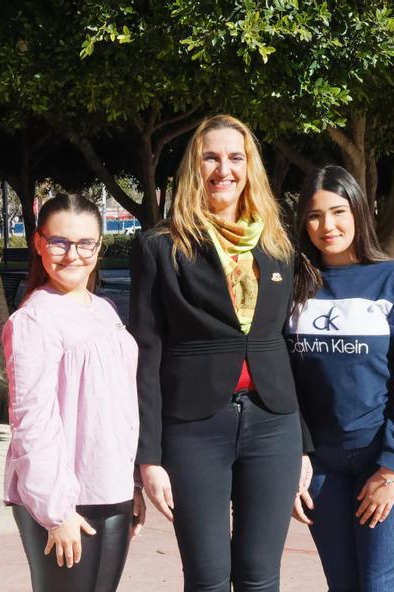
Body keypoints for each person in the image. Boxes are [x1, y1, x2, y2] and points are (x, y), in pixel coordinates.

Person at [130, 114, 302, 591]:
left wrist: (303, 444)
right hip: (194, 429)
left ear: (250, 167)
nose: (222, 169)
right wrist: (148, 458)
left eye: (234, 157)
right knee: (207, 578)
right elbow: (147, 353)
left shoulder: (277, 245)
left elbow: (289, 346)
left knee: (260, 576)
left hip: (274, 425)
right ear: (193, 166)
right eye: (211, 157)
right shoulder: (160, 247)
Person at [286, 165, 394, 591]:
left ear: (358, 212)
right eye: (314, 216)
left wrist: (391, 468)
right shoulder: (295, 285)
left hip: (383, 459)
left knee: (381, 585)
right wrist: (296, 456)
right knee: (343, 584)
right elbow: (283, 380)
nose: (327, 226)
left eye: (338, 211)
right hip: (320, 465)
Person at [3, 193, 145, 592]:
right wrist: (56, 511)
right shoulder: (34, 319)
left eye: (86, 243)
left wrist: (130, 483)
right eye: (59, 242)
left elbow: (119, 406)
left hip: (111, 487)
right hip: (63, 496)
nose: (72, 255)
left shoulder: (103, 309)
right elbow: (31, 423)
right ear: (39, 243)